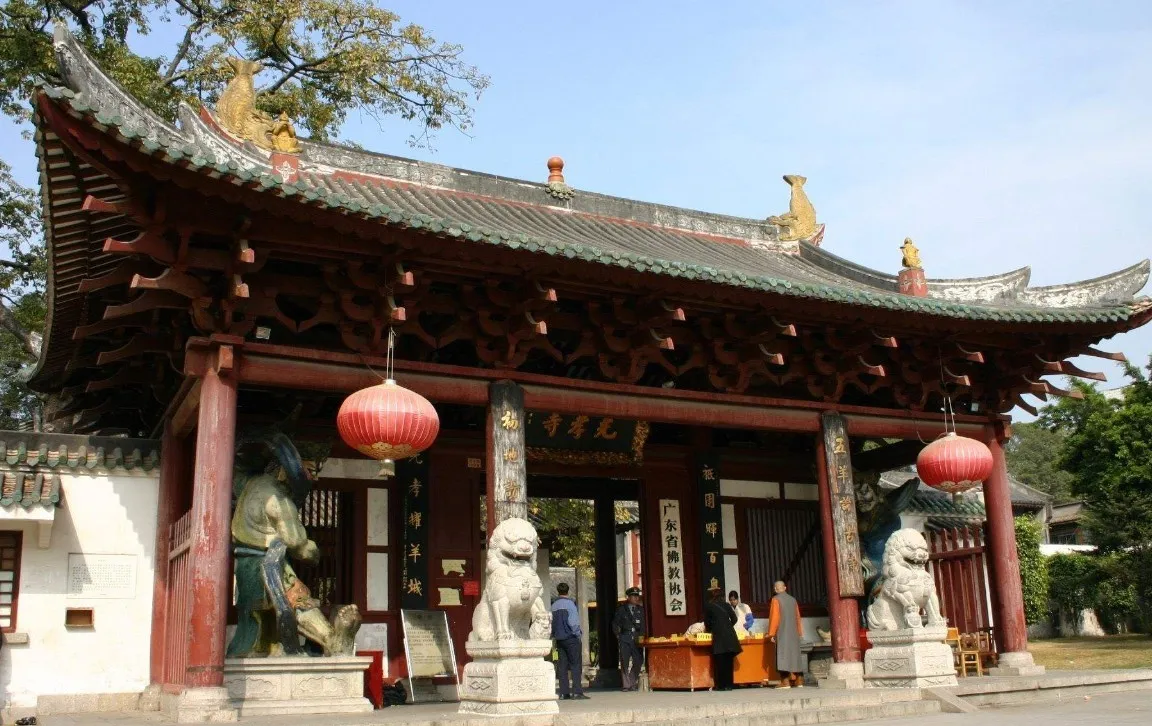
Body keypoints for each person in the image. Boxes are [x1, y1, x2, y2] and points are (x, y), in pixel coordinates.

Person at [550, 583, 589, 700]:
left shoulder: (553, 606)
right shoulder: (570, 604)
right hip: (571, 638)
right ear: (568, 591)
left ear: (558, 591)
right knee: (575, 665)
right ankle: (577, 692)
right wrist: (578, 634)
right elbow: (573, 623)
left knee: (562, 666)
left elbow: (551, 623)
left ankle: (563, 693)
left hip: (559, 639)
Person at [703, 586, 742, 691]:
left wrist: (711, 629)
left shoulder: (709, 606)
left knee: (720, 661)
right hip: (730, 636)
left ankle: (721, 685)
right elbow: (734, 618)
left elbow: (707, 622)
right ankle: (729, 684)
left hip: (719, 636)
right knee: (729, 661)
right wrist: (727, 626)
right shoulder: (726, 605)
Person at [768, 580, 805, 688]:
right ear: (785, 588)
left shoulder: (776, 600)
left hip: (782, 632)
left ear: (775, 589)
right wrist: (799, 631)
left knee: (782, 656)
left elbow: (774, 618)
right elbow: (797, 617)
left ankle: (785, 682)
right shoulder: (793, 600)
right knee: (795, 656)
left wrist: (771, 634)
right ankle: (799, 681)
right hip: (793, 633)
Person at [612, 586, 647, 691]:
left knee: (639, 660)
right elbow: (615, 623)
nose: (637, 598)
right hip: (625, 637)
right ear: (629, 597)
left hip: (637, 638)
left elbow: (644, 625)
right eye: (634, 596)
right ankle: (626, 685)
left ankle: (631, 681)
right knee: (624, 661)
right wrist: (618, 635)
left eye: (637, 596)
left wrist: (643, 636)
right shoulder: (622, 609)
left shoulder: (641, 610)